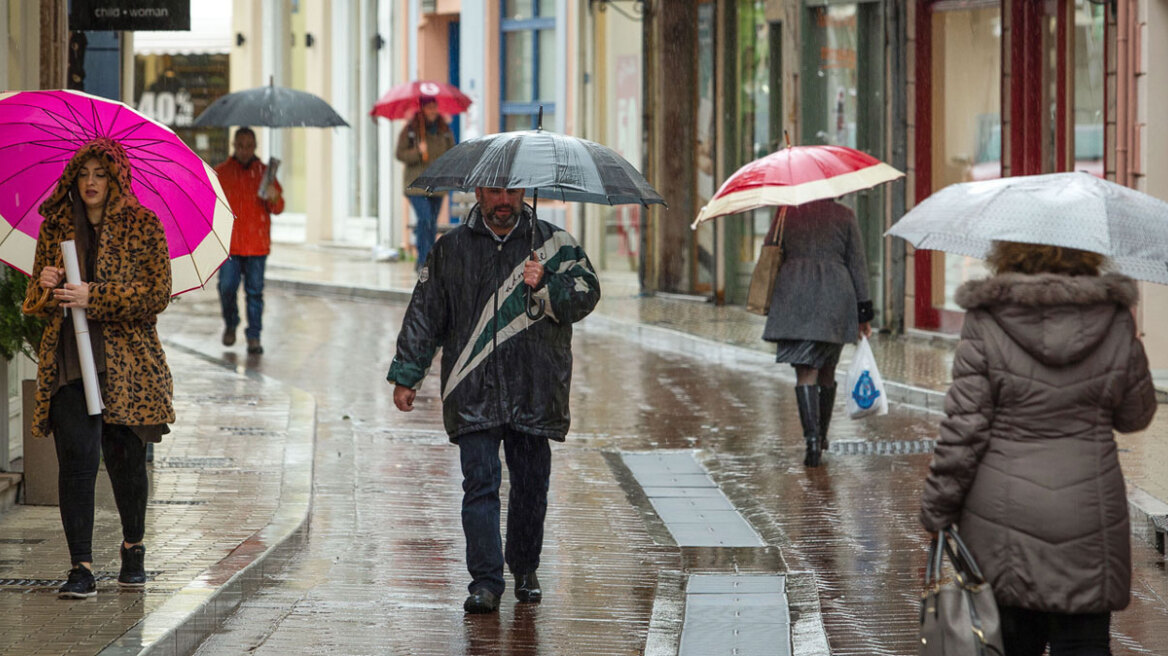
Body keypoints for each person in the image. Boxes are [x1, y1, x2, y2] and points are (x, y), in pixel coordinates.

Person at [920, 242, 1156, 654]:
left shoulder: (987, 319)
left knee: (1009, 641)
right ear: (1087, 253)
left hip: (1002, 519)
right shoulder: (1114, 317)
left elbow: (964, 428)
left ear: (1008, 252)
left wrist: (938, 508)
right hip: (1089, 515)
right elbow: (1135, 415)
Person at [386, 187, 600, 614]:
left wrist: (549, 283)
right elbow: (426, 313)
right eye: (495, 191)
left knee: (529, 486)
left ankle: (524, 568)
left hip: (534, 386)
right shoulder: (451, 249)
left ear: (523, 192)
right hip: (473, 385)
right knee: (480, 485)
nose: (504, 199)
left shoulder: (553, 243)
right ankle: (485, 582)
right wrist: (409, 374)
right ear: (479, 193)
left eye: (511, 190)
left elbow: (588, 292)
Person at [22, 138, 174, 599]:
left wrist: (96, 296)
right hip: (70, 358)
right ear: (73, 177)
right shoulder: (56, 227)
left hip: (125, 364)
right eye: (84, 173)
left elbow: (157, 294)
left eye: (101, 173)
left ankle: (133, 548)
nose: (91, 182)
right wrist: (47, 284)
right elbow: (36, 300)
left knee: (125, 460)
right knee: (78, 461)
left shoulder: (144, 224)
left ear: (116, 178)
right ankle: (81, 567)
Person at [761, 199, 873, 467]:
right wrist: (864, 313)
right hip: (835, 297)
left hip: (795, 294)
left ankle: (811, 441)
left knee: (805, 371)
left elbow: (769, 249)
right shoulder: (845, 215)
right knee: (828, 368)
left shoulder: (786, 213)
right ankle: (821, 436)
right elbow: (857, 263)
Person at [216, 127, 284, 355]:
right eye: (240, 145)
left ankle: (254, 336)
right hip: (230, 245)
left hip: (256, 245)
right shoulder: (221, 173)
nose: (244, 150)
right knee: (226, 288)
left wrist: (275, 198)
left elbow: (278, 208)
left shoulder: (266, 174)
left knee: (255, 293)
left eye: (249, 146)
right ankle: (231, 322)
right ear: (234, 146)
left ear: (255, 147)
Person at [395, 96, 455, 272]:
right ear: (422, 109)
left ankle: (427, 258)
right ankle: (424, 260)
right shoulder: (411, 130)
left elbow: (452, 151)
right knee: (425, 219)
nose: (433, 111)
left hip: (436, 184)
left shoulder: (444, 130)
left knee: (431, 224)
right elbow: (400, 154)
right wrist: (418, 152)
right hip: (416, 184)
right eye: (429, 108)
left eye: (434, 107)